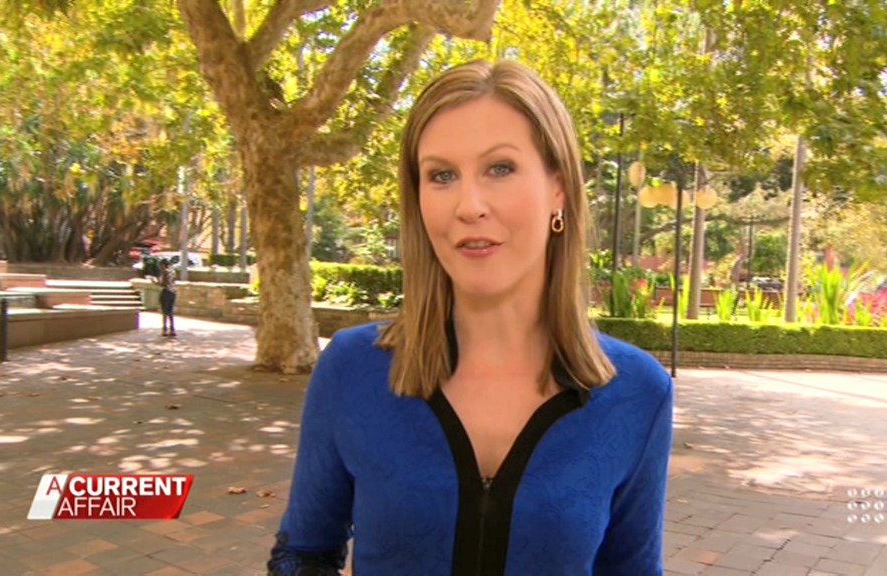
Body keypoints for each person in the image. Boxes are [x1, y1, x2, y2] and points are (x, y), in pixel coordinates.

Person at [268, 60, 673, 576]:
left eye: (499, 168)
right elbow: (302, 555)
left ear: (558, 187)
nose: (469, 206)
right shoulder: (351, 369)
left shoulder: (638, 392)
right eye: (442, 176)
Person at [154, 258, 177, 337]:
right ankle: (172, 329)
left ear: (163, 265)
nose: (160, 267)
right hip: (173, 292)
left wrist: (155, 282)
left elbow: (164, 283)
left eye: (160, 265)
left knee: (165, 311)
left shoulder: (165, 272)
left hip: (166, 292)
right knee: (170, 312)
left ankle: (164, 330)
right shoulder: (173, 271)